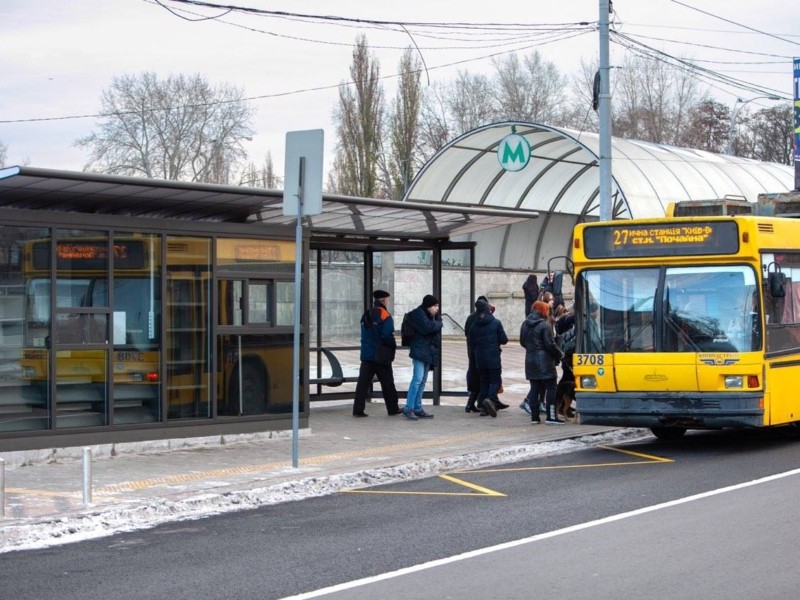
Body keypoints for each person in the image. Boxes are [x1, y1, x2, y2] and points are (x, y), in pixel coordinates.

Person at [352, 290, 404, 417]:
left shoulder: (366, 314)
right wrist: (392, 346)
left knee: (363, 383)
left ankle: (358, 409)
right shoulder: (384, 314)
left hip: (367, 355)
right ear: (384, 301)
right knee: (387, 382)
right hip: (381, 355)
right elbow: (387, 334)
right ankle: (392, 408)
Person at [520, 299, 565, 424]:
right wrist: (560, 354)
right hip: (545, 361)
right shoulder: (545, 325)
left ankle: (535, 417)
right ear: (543, 311)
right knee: (551, 387)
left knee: (534, 388)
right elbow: (550, 344)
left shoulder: (525, 324)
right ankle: (551, 417)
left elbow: (522, 342)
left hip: (530, 360)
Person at [402, 294, 443, 420]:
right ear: (429, 306)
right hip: (420, 352)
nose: (437, 309)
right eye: (435, 306)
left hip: (427, 352)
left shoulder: (431, 316)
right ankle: (409, 408)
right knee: (418, 379)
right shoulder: (418, 314)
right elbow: (427, 328)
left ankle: (417, 407)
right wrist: (439, 323)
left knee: (423, 380)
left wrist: (436, 322)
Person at [467, 297, 509, 418]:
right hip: (493, 357)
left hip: (479, 359)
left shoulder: (474, 325)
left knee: (484, 382)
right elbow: (504, 340)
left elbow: (471, 342)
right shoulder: (496, 323)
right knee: (495, 381)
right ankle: (489, 400)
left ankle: (483, 408)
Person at [463, 295, 490, 413]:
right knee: (482, 377)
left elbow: (466, 333)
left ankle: (471, 403)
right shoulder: (483, 318)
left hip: (471, 350)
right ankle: (477, 403)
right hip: (481, 351)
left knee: (474, 375)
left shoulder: (470, 318)